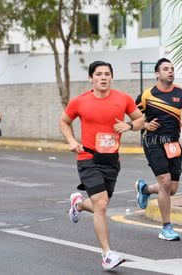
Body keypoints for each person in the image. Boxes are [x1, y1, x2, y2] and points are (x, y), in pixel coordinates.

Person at [59, 61, 144, 271]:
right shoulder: (80, 102)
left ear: (112, 78)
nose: (103, 77)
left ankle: (78, 204)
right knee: (102, 204)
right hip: (88, 157)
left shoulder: (123, 99)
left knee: (99, 204)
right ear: (91, 78)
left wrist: (130, 125)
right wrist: (71, 141)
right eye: (99, 74)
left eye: (107, 74)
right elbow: (63, 121)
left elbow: (142, 119)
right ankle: (107, 255)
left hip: (111, 160)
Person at [135, 57, 182, 241]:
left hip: (173, 143)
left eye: (172, 68)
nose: (170, 71)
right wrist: (145, 124)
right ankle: (166, 227)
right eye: (165, 69)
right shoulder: (147, 95)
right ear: (157, 74)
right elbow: (134, 117)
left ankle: (144, 190)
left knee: (172, 188)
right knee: (165, 181)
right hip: (153, 142)